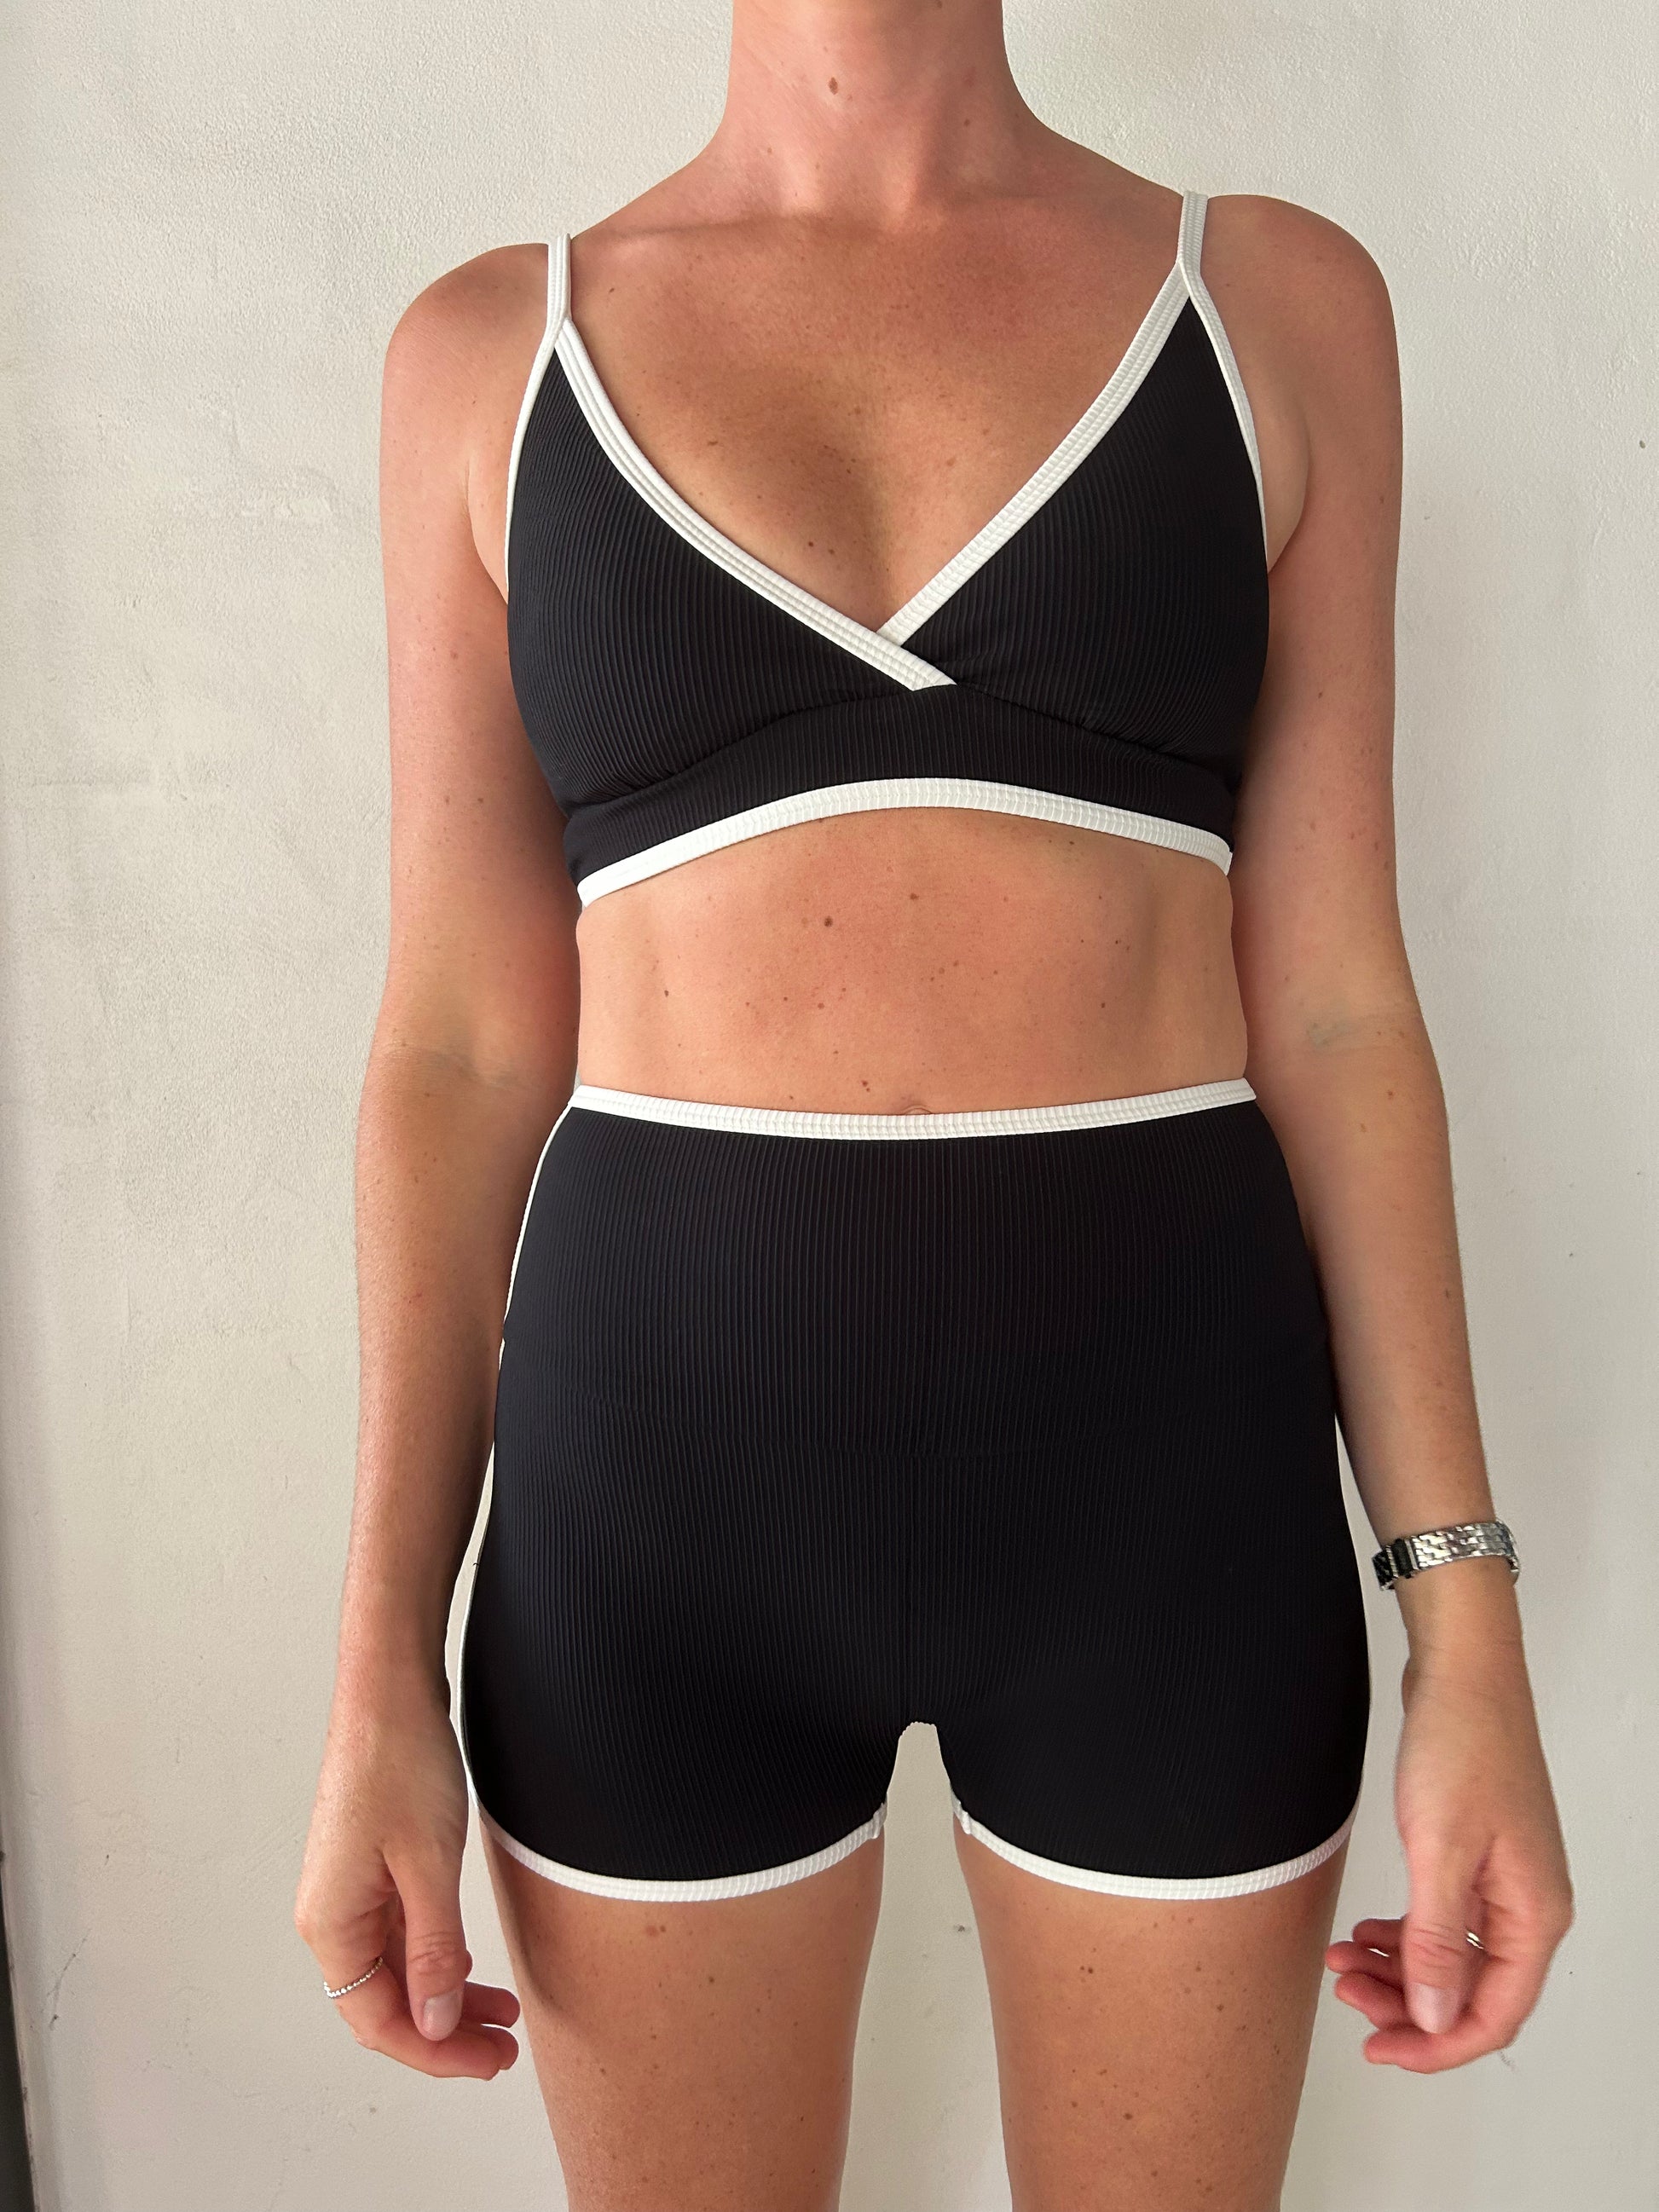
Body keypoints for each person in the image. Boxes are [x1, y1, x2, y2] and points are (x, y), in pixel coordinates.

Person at [295, 3, 1573, 2203]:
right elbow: (459, 1051)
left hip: (1168, 1497)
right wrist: (373, 1675)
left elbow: (1340, 1008)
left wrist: (1466, 1625)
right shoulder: (488, 356)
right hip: (651, 1513)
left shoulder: (1268, 303)